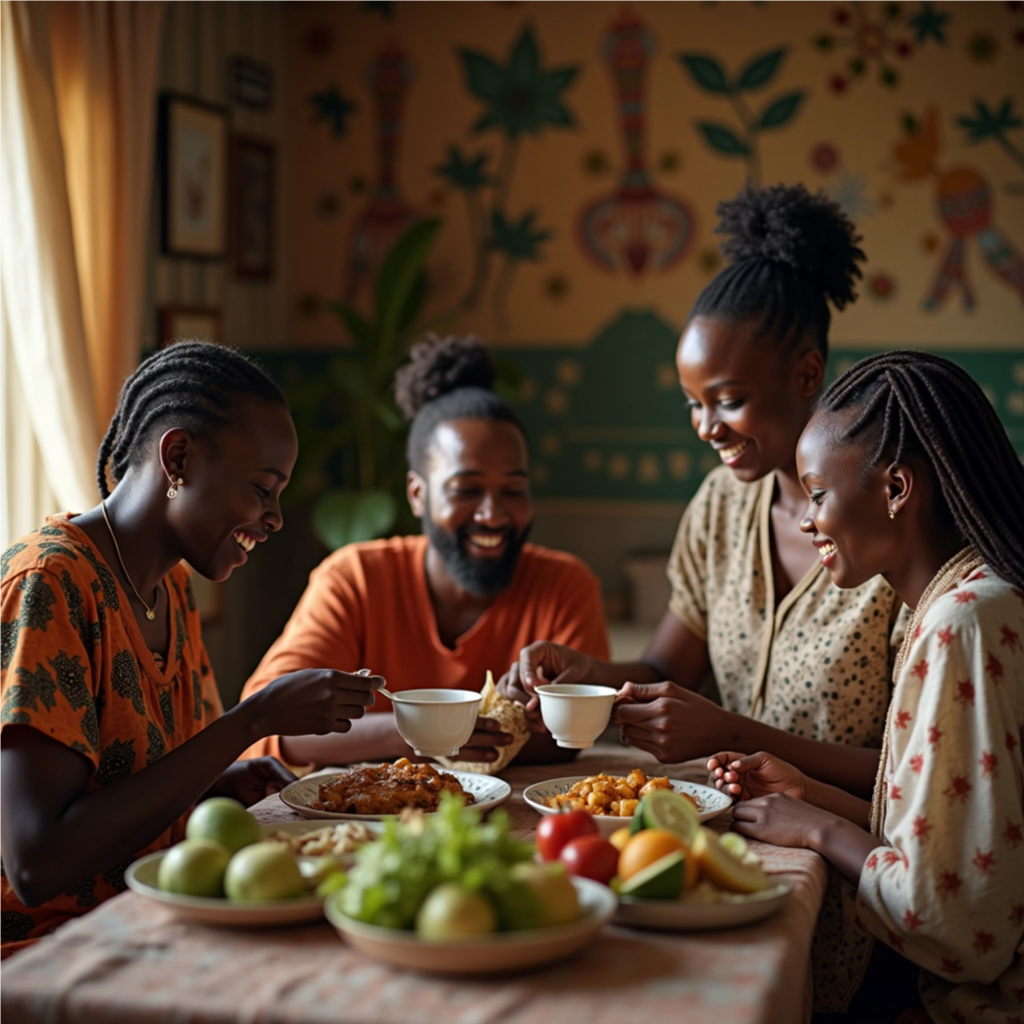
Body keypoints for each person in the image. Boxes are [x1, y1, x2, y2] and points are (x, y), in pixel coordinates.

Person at [501, 183, 908, 1012]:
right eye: (693, 404)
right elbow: (663, 665)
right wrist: (589, 674)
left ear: (805, 373)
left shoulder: (892, 533)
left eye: (727, 400)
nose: (706, 427)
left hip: (875, 905)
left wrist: (725, 728)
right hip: (729, 879)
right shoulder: (723, 505)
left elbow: (913, 780)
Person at [0, 342, 383, 959]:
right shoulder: (50, 585)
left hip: (155, 915)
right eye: (262, 489)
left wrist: (220, 780)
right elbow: (36, 863)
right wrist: (250, 722)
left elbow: (133, 786)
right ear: (177, 457)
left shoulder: (171, 586)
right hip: (48, 954)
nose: (275, 517)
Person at [708, 351, 1024, 1023]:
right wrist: (808, 791)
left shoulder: (962, 622)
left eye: (817, 494)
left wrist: (819, 828)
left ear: (897, 488)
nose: (806, 520)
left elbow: (953, 923)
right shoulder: (965, 601)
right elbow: (952, 833)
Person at [239, 335, 608, 769]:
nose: (493, 514)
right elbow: (267, 726)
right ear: (418, 495)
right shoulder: (354, 578)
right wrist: (421, 733)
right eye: (466, 490)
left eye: (513, 490)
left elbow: (570, 738)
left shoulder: (565, 584)